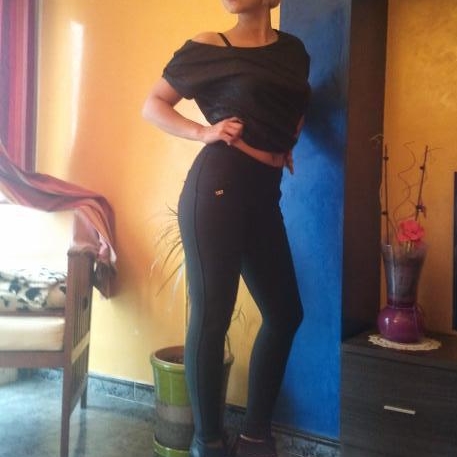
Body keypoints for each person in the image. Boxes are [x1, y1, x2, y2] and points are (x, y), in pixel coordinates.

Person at [142, 1, 310, 456]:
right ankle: (209, 444)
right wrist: (204, 132)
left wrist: (285, 142)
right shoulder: (210, 46)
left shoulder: (294, 51)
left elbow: (297, 102)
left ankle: (254, 438)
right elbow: (152, 105)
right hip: (218, 188)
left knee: (285, 314)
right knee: (213, 315)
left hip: (264, 193)